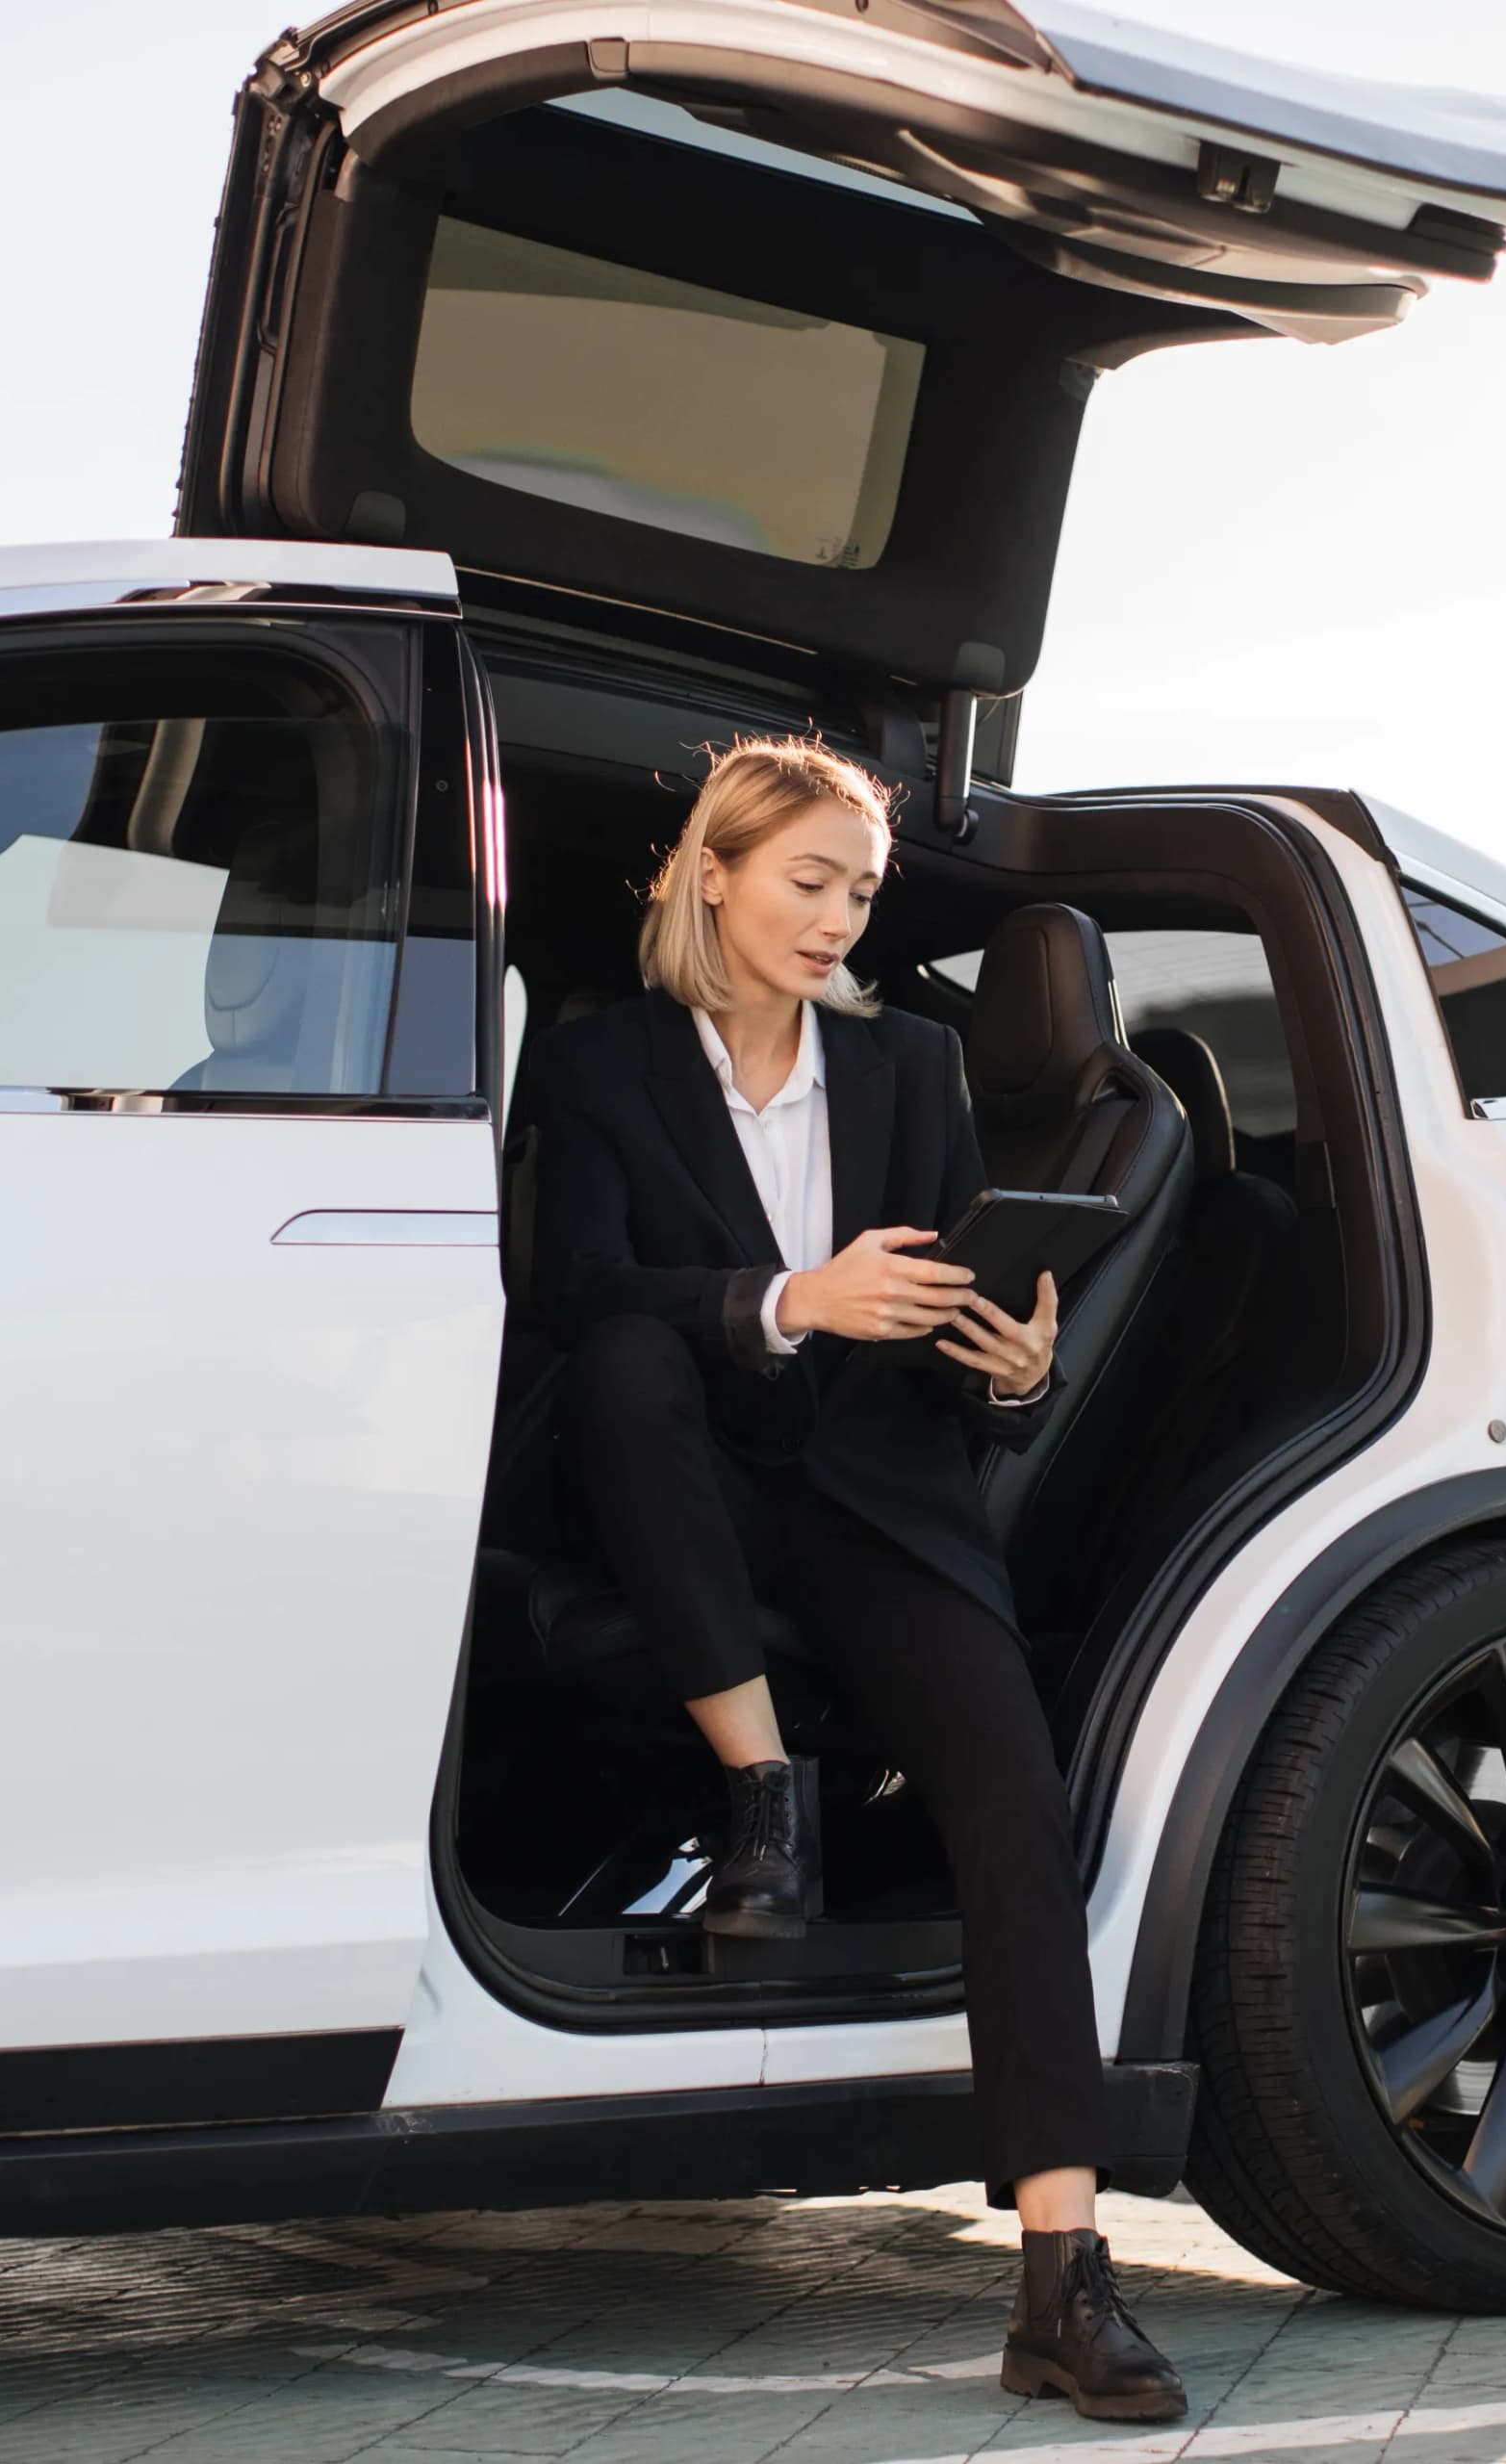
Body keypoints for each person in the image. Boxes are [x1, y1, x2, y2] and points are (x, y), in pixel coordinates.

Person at [531, 735, 1185, 2425]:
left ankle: (1064, 2274)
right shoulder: (604, 1066)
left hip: (880, 1496)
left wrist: (1014, 1360)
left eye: (862, 894)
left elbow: (953, 1345)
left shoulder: (906, 1076)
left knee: (1013, 1804)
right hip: (683, 1480)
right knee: (627, 1357)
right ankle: (764, 1797)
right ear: (718, 873)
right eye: (809, 882)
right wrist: (785, 1300)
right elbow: (578, 1287)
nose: (837, 919)